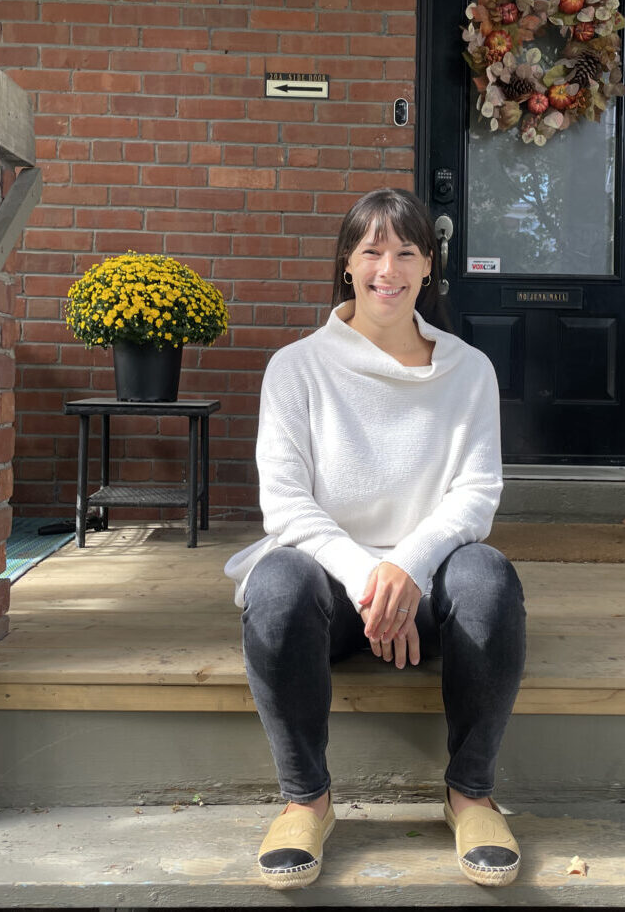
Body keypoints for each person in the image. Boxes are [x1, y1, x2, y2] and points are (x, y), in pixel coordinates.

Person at [225, 187, 526, 890]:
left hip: (427, 589)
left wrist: (407, 568)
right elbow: (286, 507)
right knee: (274, 585)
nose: (388, 268)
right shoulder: (296, 368)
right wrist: (370, 577)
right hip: (330, 592)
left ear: (428, 270)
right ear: (347, 265)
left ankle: (471, 796)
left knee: (489, 577)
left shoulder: (468, 371)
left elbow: (475, 496)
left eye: (406, 253)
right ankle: (307, 802)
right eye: (372, 251)